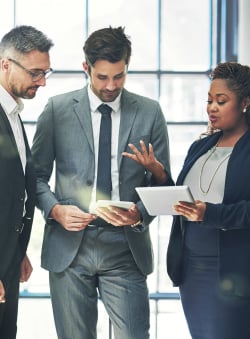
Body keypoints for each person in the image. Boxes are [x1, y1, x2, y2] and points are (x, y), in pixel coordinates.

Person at [31, 26, 174, 339]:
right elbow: (36, 177)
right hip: (70, 247)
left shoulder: (150, 113)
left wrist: (140, 212)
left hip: (125, 246)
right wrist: (55, 210)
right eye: (102, 77)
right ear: (86, 68)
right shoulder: (57, 110)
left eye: (119, 76)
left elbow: (164, 183)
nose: (111, 86)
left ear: (127, 67)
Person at [128, 61, 250, 339]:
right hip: (192, 267)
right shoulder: (200, 147)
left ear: (244, 102)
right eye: (209, 100)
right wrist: (159, 174)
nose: (211, 107)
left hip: (233, 269)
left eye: (221, 101)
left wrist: (210, 214)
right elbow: (182, 202)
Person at [0, 25, 53, 338]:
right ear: (5, 64)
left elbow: (12, 190)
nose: (42, 82)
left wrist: (17, 250)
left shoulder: (12, 112)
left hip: (8, 256)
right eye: (35, 73)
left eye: (46, 72)